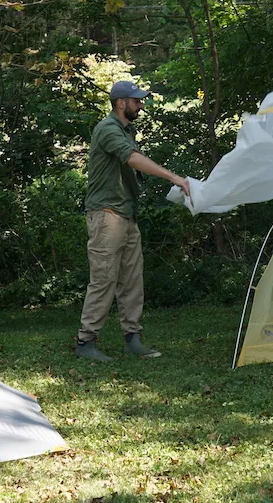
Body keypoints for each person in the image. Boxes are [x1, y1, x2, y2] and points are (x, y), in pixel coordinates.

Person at [75, 80, 191, 362]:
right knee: (104, 279)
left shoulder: (127, 130)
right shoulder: (107, 129)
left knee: (131, 280)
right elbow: (133, 159)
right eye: (136, 100)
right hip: (106, 215)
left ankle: (133, 339)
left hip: (126, 214)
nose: (141, 105)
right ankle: (85, 342)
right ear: (120, 103)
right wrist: (174, 177)